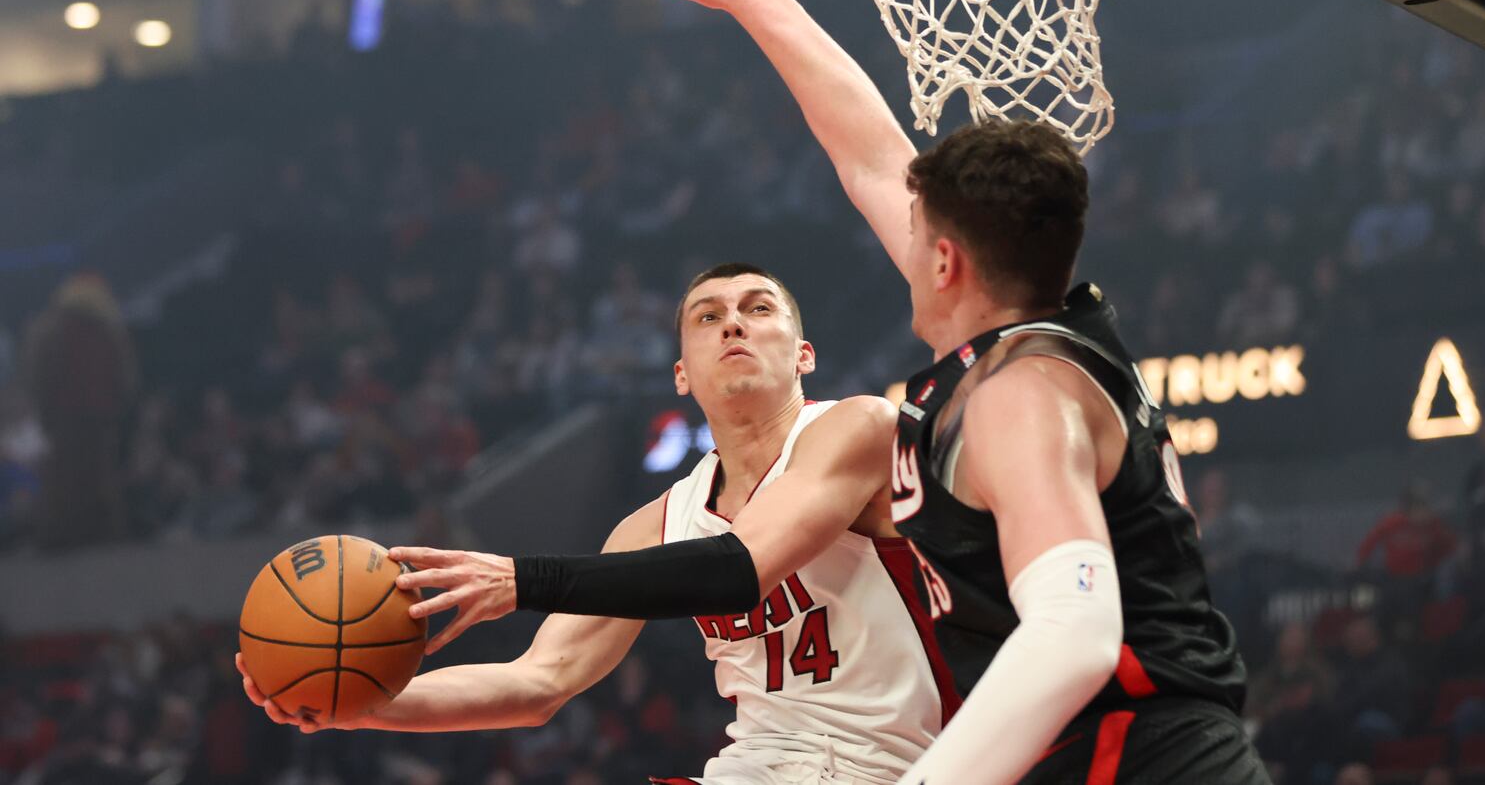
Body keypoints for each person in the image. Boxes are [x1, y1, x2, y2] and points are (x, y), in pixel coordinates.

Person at [619, 0, 1268, 783]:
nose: (896, 223)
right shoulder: (1038, 337)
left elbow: (1075, 634)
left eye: (915, 226)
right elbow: (870, 155)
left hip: (1142, 756)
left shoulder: (1021, 393)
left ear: (946, 257)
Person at [239, 262, 955, 785]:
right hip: (757, 767)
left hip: (906, 764)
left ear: (804, 355)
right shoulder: (658, 521)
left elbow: (735, 569)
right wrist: (358, 705)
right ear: (681, 373)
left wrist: (522, 578)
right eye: (707, 315)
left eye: (758, 307)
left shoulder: (859, 427)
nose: (733, 320)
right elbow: (539, 681)